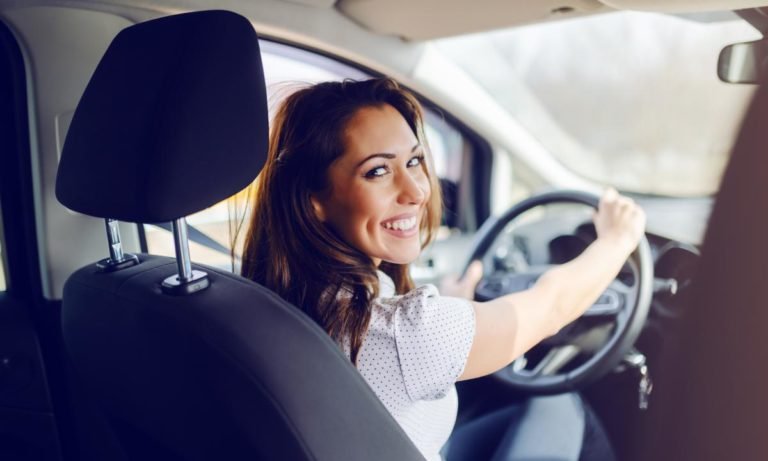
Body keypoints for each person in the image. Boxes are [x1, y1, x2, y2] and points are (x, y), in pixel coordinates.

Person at [239, 77, 644, 460]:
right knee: (562, 407)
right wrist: (617, 240)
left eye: (415, 161)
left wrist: (454, 309)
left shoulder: (262, 304)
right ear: (314, 200)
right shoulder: (404, 332)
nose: (416, 191)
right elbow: (552, 307)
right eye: (378, 171)